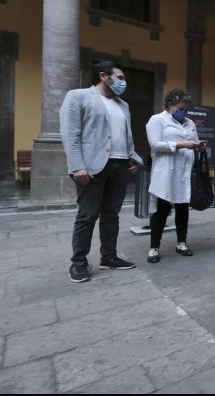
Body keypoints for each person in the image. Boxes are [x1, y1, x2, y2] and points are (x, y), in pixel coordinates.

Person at [60, 61, 143, 283]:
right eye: (120, 77)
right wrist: (77, 165)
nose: (124, 82)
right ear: (104, 76)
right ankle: (78, 262)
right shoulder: (78, 97)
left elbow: (126, 135)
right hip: (92, 167)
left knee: (111, 215)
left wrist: (132, 157)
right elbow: (70, 134)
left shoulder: (123, 105)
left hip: (120, 165)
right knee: (87, 215)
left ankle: (109, 257)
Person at [145, 89, 206, 264]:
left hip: (184, 172)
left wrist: (199, 146)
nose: (184, 112)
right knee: (162, 209)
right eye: (180, 108)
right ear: (169, 106)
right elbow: (155, 145)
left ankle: (181, 243)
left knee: (182, 208)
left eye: (186, 109)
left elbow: (194, 141)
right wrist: (181, 144)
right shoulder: (157, 120)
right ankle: (154, 247)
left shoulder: (190, 123)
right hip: (166, 171)